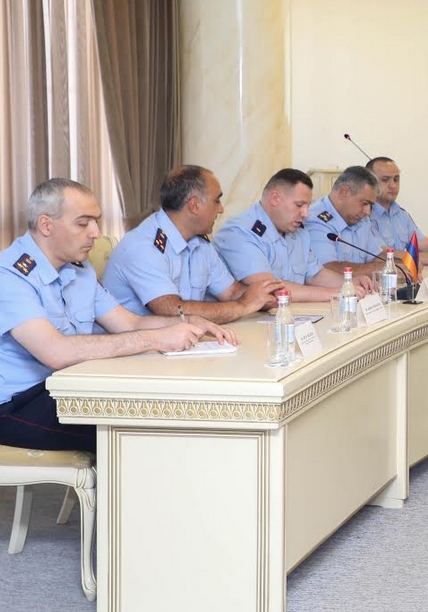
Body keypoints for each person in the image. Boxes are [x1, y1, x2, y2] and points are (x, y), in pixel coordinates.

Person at [0, 179, 234, 451]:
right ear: (46, 225)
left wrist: (187, 321)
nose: (95, 233)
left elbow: (130, 322)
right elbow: (56, 352)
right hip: (19, 404)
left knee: (165, 404)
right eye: (83, 223)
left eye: (96, 221)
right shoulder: (10, 275)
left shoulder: (80, 270)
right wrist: (157, 339)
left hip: (68, 384)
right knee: (141, 432)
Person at [102, 165, 283, 323]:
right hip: (136, 347)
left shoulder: (200, 243)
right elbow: (171, 310)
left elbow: (230, 291)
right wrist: (243, 305)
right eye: (216, 200)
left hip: (178, 342)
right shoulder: (143, 246)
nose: (221, 209)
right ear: (194, 205)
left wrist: (262, 296)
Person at [214, 168, 377, 303]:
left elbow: (316, 274)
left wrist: (349, 283)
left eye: (308, 205)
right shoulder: (239, 232)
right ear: (275, 198)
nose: (305, 213)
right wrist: (334, 293)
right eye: (299, 205)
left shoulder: (298, 232)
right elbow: (269, 288)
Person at [366, 156, 428, 264]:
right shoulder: (364, 216)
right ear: (370, 183)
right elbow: (383, 256)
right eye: (385, 180)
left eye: (396, 179)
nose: (393, 185)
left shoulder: (401, 214)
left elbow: (427, 246)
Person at [302, 166, 390, 273]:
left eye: (370, 205)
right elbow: (326, 268)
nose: (367, 211)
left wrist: (398, 266)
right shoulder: (317, 221)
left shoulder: (362, 219)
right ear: (344, 192)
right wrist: (382, 269)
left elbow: (375, 257)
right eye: (365, 203)